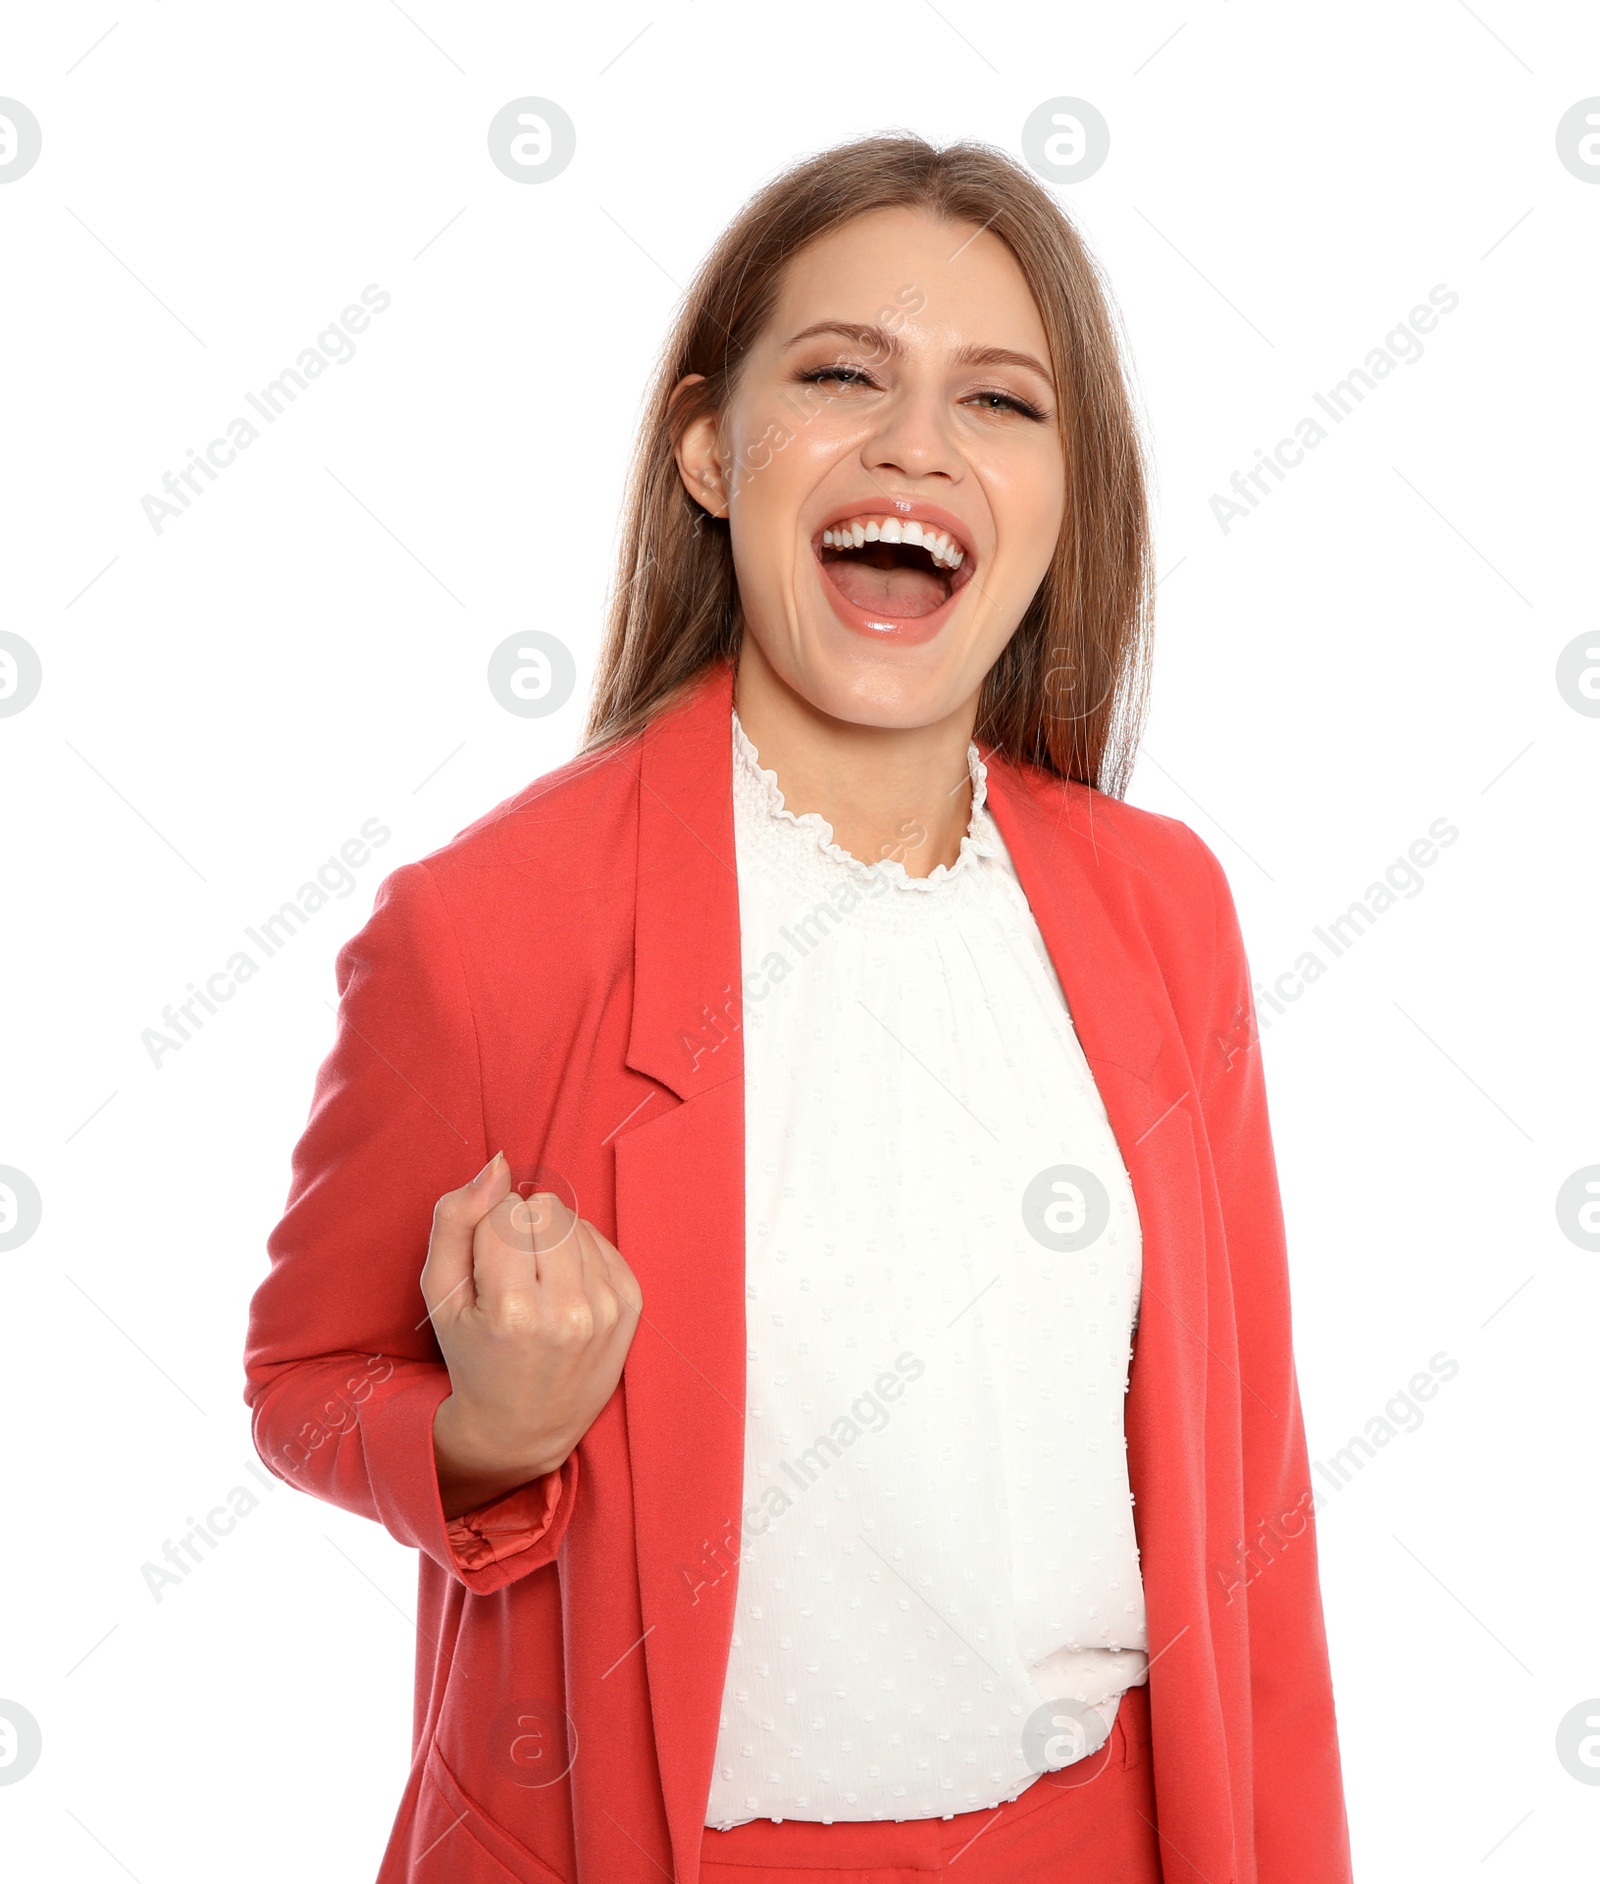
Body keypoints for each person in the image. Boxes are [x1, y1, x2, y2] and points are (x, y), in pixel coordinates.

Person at [244, 133, 1353, 1883]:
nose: (917, 442)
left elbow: (1251, 1514)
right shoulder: (484, 933)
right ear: (710, 448)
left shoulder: (1165, 913)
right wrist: (485, 1438)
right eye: (843, 374)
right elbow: (302, 1381)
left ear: (1068, 499)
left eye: (1000, 403)